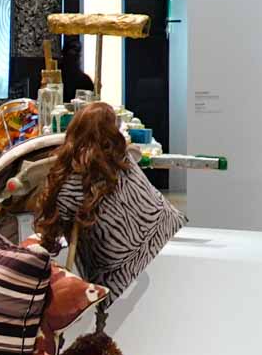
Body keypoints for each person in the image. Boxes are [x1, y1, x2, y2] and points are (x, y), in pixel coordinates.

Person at [33, 101, 184, 298]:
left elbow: (53, 229)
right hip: (165, 233)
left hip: (117, 276)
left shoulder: (71, 184)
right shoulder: (125, 161)